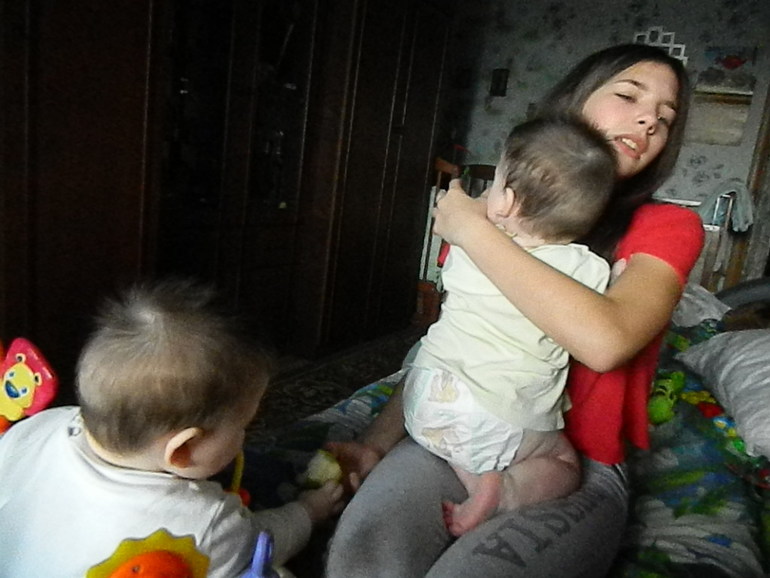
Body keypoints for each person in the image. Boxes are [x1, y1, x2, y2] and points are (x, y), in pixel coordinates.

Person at [324, 43, 705, 578]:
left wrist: (472, 229)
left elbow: (607, 341)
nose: (648, 120)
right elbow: (453, 345)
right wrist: (375, 444)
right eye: (628, 96)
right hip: (450, 437)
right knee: (363, 559)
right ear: (574, 100)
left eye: (663, 119)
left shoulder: (667, 227)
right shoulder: (498, 214)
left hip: (577, 464)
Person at [0, 279, 344, 578]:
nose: (244, 437)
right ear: (181, 450)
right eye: (243, 425)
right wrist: (309, 510)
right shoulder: (203, 522)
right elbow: (261, 541)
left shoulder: (37, 426)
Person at [403, 115, 615, 537]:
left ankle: (476, 478)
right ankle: (505, 492)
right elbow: (596, 316)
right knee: (564, 463)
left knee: (463, 438)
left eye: (495, 181)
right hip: (498, 413)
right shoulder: (587, 269)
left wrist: (479, 212)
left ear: (506, 201)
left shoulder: (468, 246)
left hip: (424, 397)